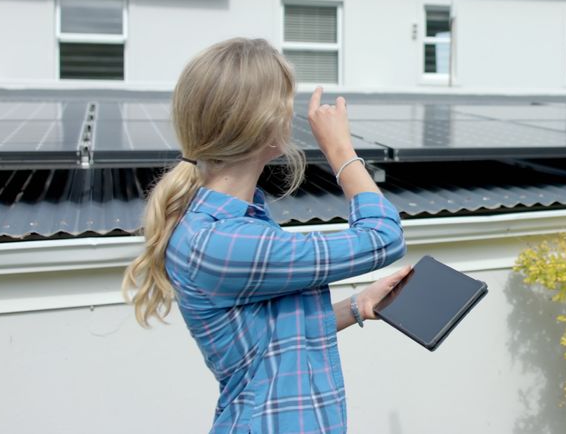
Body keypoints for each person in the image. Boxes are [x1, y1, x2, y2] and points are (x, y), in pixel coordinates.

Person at [122, 37, 408, 433]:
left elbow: (274, 343)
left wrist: (358, 306)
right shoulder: (222, 242)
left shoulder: (235, 225)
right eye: (286, 102)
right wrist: (341, 149)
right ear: (264, 122)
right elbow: (383, 237)